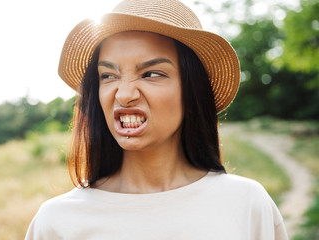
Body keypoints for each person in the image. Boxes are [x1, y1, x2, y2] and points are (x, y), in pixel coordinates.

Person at [25, 0, 288, 239]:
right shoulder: (56, 223)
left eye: (151, 74)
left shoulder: (247, 204)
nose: (125, 94)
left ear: (191, 89)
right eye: (108, 75)